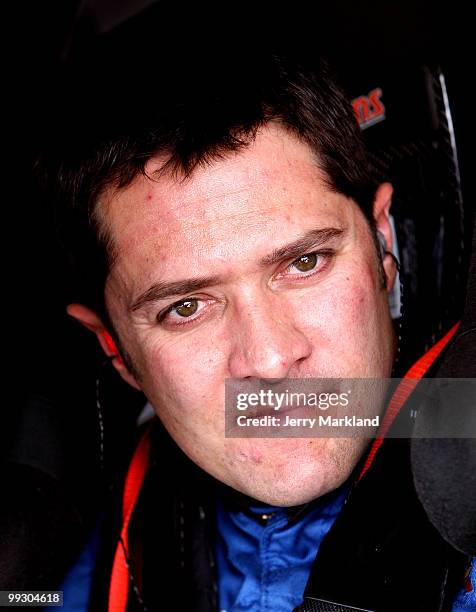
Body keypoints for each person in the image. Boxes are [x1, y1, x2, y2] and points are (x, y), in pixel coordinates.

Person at [40, 18, 474, 611]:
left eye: (305, 263)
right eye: (187, 307)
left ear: (381, 246)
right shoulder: (119, 540)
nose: (269, 359)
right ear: (115, 350)